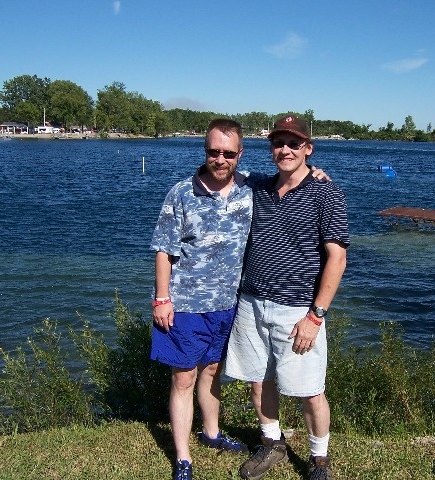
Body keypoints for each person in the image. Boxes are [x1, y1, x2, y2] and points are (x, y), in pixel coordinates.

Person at [225, 114, 350, 480]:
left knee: (309, 390)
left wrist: (316, 316)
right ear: (271, 149)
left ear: (308, 149)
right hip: (251, 303)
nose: (285, 149)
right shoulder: (259, 187)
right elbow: (221, 172)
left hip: (297, 310)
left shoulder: (326, 192)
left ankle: (319, 460)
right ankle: (271, 441)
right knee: (258, 380)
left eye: (294, 144)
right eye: (279, 143)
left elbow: (337, 257)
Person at [150, 118, 251, 480]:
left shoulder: (251, 189)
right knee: (183, 379)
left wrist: (316, 174)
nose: (220, 159)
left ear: (240, 153)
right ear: (205, 151)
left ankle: (211, 435)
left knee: (212, 370)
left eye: (227, 152)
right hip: (186, 304)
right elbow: (164, 250)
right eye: (213, 151)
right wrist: (162, 298)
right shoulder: (181, 193)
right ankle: (182, 457)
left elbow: (292, 181)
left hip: (229, 304)